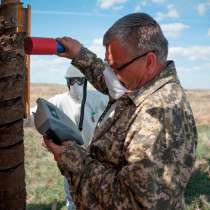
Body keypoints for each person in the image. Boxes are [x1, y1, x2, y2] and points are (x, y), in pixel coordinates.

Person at [43, 13, 197, 210]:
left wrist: (71, 158)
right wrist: (80, 54)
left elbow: (134, 202)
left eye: (117, 67)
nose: (112, 74)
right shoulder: (141, 84)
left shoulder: (158, 116)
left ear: (149, 61)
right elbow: (110, 82)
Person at [29, 66, 108, 210]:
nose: (75, 85)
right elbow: (34, 113)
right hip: (70, 156)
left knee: (96, 195)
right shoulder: (59, 100)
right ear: (67, 82)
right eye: (72, 81)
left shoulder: (97, 98)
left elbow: (117, 106)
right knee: (72, 194)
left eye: (79, 80)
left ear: (85, 81)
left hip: (96, 158)